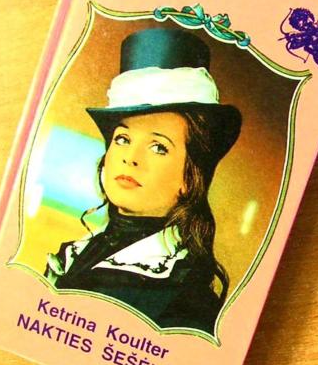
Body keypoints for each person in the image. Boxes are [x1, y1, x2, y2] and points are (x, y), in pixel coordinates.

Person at [45, 28, 241, 334]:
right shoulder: (74, 254)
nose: (130, 158)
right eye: (123, 139)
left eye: (158, 147)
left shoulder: (185, 299)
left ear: (189, 179)